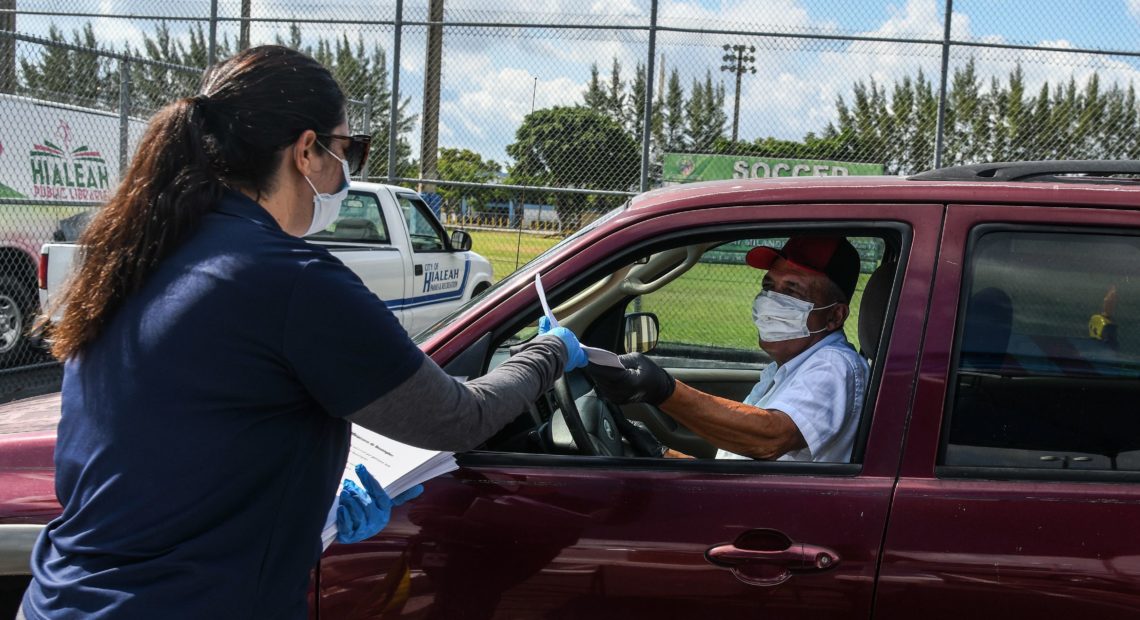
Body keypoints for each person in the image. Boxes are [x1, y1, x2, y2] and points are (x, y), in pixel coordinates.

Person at [20, 45, 587, 620]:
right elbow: (459, 417)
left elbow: (160, 448)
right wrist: (548, 353)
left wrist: (304, 511)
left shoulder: (139, 257)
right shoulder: (291, 280)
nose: (350, 170)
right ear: (307, 151)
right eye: (351, 150)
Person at [588, 235, 870, 462]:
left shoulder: (834, 365)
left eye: (792, 291)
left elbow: (769, 440)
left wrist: (664, 390)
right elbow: (740, 459)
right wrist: (662, 454)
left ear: (834, 316)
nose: (771, 300)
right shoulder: (784, 369)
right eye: (769, 286)